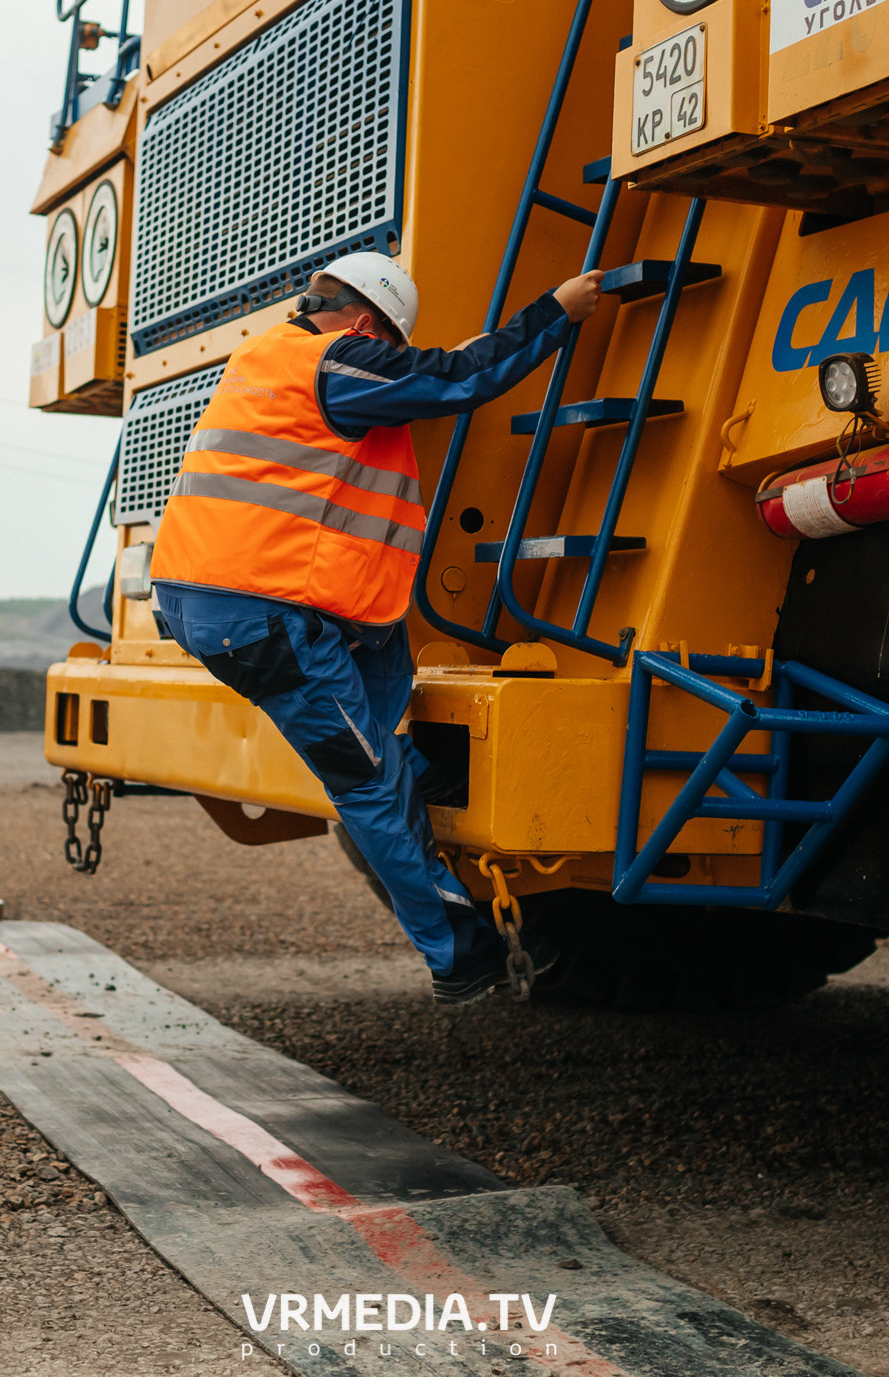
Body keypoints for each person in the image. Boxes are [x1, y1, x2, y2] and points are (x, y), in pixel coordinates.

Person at [148, 252, 605, 1006]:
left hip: (232, 601)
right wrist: (557, 310)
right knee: (368, 786)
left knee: (385, 669)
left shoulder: (266, 354)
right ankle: (458, 955)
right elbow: (459, 381)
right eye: (386, 346)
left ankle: (418, 774)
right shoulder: (337, 366)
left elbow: (426, 372)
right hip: (263, 619)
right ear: (364, 326)